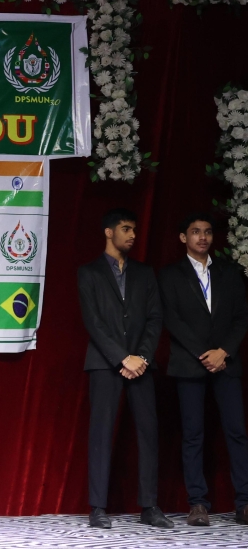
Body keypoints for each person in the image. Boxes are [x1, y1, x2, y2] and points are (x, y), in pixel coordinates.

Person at [77, 208, 172, 529]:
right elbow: (93, 322)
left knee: (148, 432)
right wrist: (122, 358)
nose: (133, 235)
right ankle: (97, 507)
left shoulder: (145, 273)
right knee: (101, 433)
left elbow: (155, 318)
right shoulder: (88, 272)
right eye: (126, 229)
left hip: (142, 364)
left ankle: (150, 505)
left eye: (134, 229)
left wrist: (140, 357)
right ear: (109, 232)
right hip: (105, 363)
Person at [159, 212, 248, 526]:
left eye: (208, 232)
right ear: (183, 237)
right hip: (190, 363)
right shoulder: (170, 274)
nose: (203, 237)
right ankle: (197, 503)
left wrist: (223, 351)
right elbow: (171, 319)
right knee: (193, 434)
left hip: (226, 361)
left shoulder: (229, 272)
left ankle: (244, 503)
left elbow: (241, 317)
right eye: (196, 231)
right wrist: (203, 353)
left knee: (237, 432)